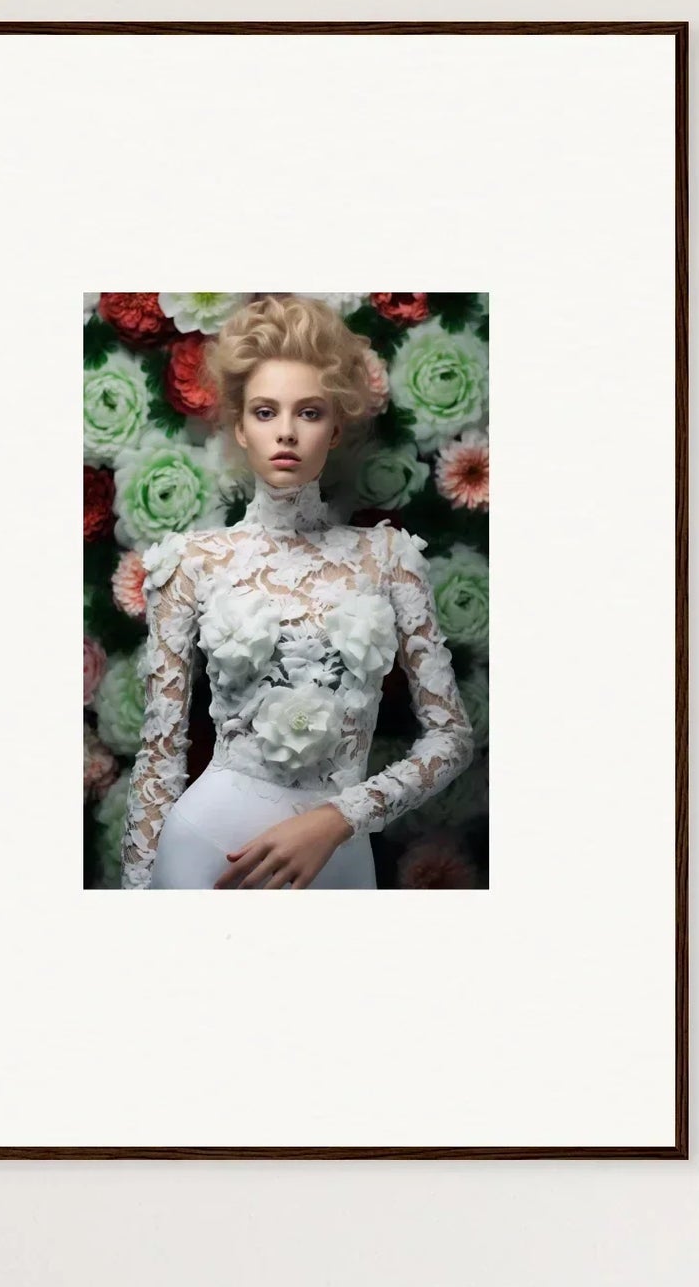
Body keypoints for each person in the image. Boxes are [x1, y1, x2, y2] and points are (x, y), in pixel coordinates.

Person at [121, 294, 474, 891]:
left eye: (308, 412)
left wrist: (339, 818)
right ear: (238, 425)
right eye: (265, 412)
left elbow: (452, 738)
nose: (286, 432)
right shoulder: (191, 561)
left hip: (336, 855)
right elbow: (159, 758)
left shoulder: (389, 557)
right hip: (206, 850)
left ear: (335, 428)